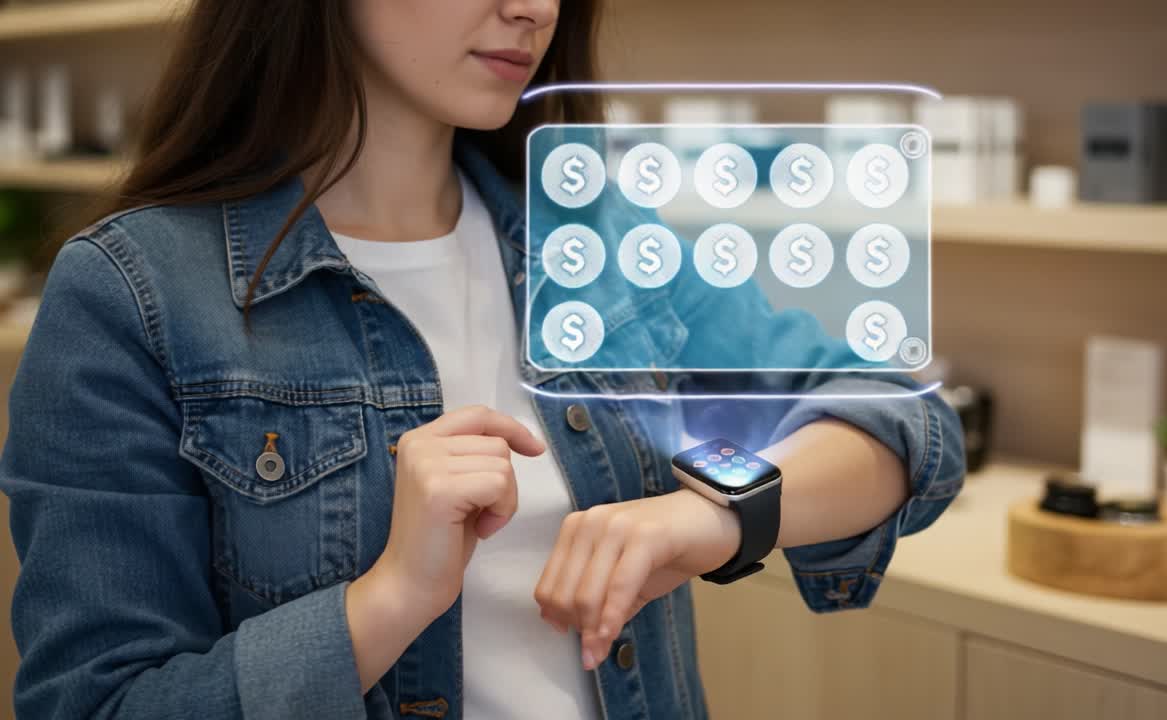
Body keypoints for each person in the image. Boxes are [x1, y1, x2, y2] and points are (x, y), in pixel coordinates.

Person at [0, 1, 965, 718]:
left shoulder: (600, 243)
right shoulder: (130, 297)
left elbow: (903, 415)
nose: (532, 8)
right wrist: (388, 602)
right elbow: (96, 704)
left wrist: (715, 516)